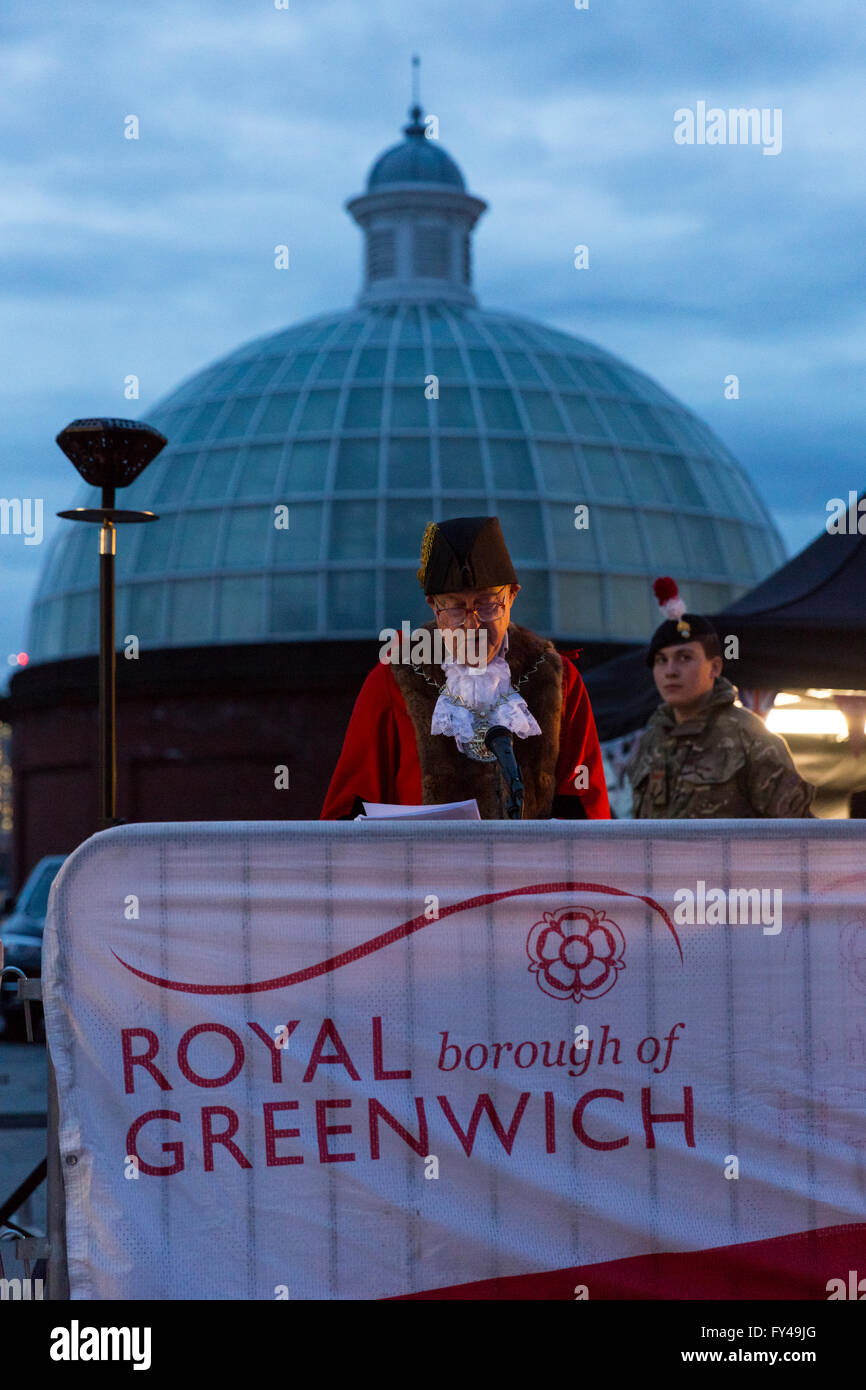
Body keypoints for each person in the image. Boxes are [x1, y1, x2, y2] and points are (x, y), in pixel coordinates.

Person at [320, 515, 611, 820]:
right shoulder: (393, 681)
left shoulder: (556, 680)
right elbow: (350, 813)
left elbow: (585, 811)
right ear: (434, 606)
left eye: (487, 604)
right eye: (456, 607)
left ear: (512, 596)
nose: (472, 624)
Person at [627, 577, 815, 818]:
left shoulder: (750, 737)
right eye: (661, 661)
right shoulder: (651, 739)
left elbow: (800, 833)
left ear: (714, 668)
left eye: (684, 658)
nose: (670, 671)